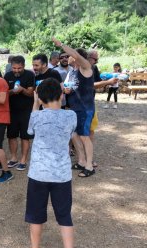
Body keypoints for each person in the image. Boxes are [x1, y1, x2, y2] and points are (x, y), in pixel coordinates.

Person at [24, 78, 77, 248]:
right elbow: (70, 132)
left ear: (40, 97)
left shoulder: (36, 116)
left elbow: (30, 131)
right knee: (64, 215)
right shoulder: (71, 115)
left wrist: (35, 103)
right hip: (62, 174)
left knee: (36, 214)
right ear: (61, 95)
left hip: (39, 173)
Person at [53, 37, 95, 177]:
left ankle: (89, 166)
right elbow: (66, 88)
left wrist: (61, 45)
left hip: (85, 108)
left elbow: (76, 55)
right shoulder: (71, 72)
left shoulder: (86, 68)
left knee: (84, 136)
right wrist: (66, 90)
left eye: (69, 55)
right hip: (73, 108)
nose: (67, 58)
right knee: (74, 134)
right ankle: (81, 161)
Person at [3, 55, 36, 171]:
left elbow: (31, 93)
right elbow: (4, 93)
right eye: (14, 68)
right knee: (11, 135)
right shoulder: (7, 76)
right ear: (11, 66)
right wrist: (12, 91)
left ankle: (23, 160)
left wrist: (22, 89)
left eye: (19, 68)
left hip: (26, 111)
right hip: (11, 111)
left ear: (24, 66)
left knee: (24, 136)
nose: (16, 70)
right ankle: (13, 158)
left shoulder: (30, 75)